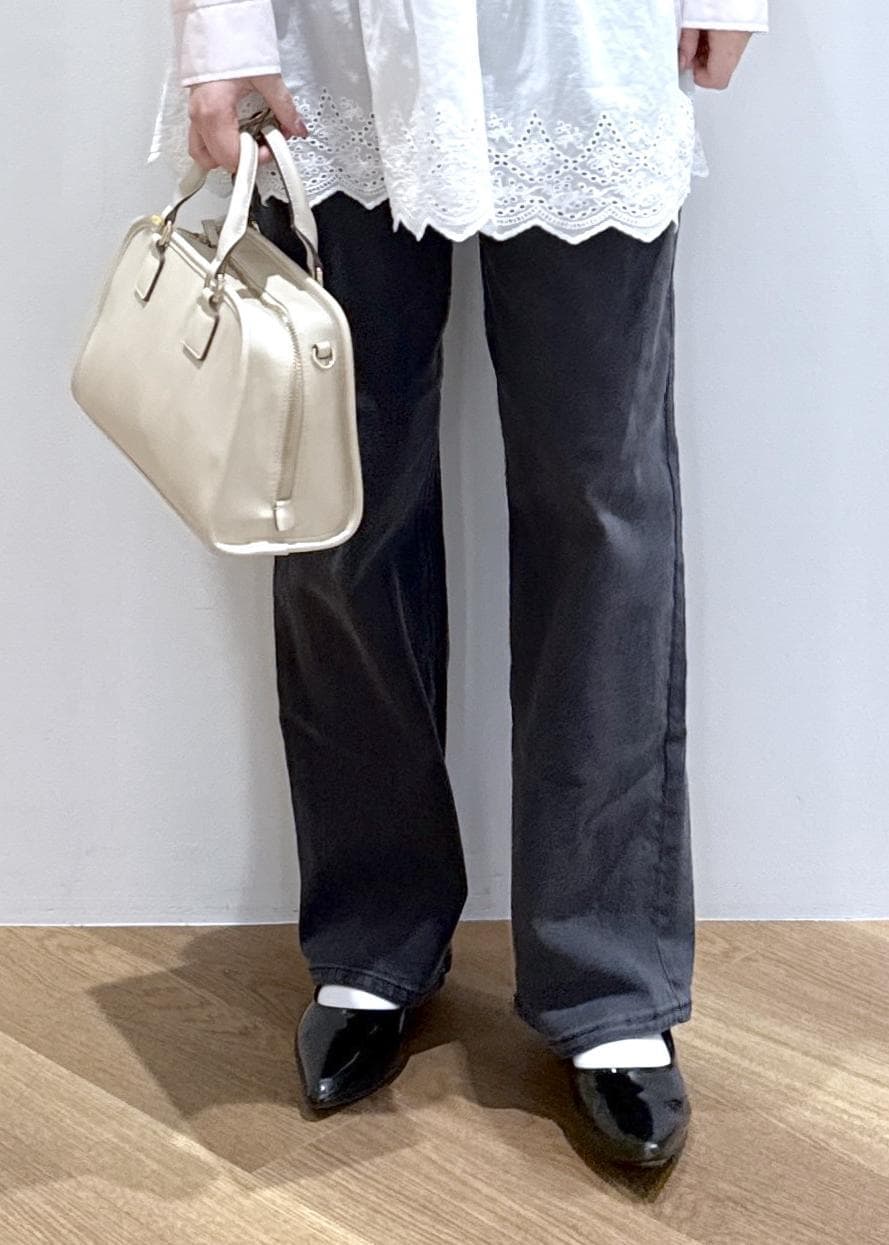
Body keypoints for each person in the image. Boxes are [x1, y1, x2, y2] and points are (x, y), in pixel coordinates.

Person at [150, 0, 768, 1169]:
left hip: (583, 43)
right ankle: (373, 933)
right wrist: (221, 30)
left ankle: (606, 975)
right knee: (343, 492)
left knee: (599, 495)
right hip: (336, 47)